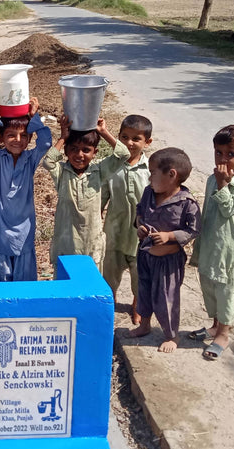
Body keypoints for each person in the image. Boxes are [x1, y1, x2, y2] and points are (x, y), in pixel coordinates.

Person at [187, 125, 234, 360]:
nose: (223, 159)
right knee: (209, 285)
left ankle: (224, 335)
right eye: (219, 152)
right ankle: (215, 326)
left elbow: (228, 209)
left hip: (230, 249)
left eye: (231, 154)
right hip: (211, 243)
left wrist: (223, 184)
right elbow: (208, 210)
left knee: (227, 290)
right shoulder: (211, 179)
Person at [125, 148, 200, 353]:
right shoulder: (149, 192)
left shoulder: (187, 203)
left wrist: (169, 236)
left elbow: (193, 229)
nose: (150, 177)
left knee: (167, 297)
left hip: (168, 262)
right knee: (144, 292)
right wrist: (140, 226)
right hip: (146, 254)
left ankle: (171, 335)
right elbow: (140, 212)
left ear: (171, 175)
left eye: (153, 172)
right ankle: (144, 324)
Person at [0, 85, 52, 282]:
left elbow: (45, 142)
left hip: (23, 234)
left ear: (29, 138)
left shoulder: (30, 160)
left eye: (23, 136)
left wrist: (34, 115)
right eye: (11, 135)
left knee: (24, 287)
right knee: (0, 289)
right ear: (1, 137)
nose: (17, 140)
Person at [42, 115, 131, 271]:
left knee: (90, 287)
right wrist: (63, 137)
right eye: (74, 149)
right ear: (66, 150)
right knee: (66, 287)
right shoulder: (62, 172)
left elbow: (124, 154)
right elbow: (48, 161)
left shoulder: (99, 171)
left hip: (91, 244)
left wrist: (103, 132)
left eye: (86, 150)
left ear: (95, 152)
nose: (80, 155)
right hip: (66, 243)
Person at [102, 114, 153, 324]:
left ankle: (137, 304)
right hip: (114, 231)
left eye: (136, 139)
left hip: (140, 236)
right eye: (124, 137)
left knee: (139, 274)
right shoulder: (110, 166)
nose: (129, 143)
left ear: (147, 143)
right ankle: (108, 302)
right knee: (109, 271)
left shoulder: (150, 170)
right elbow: (102, 196)